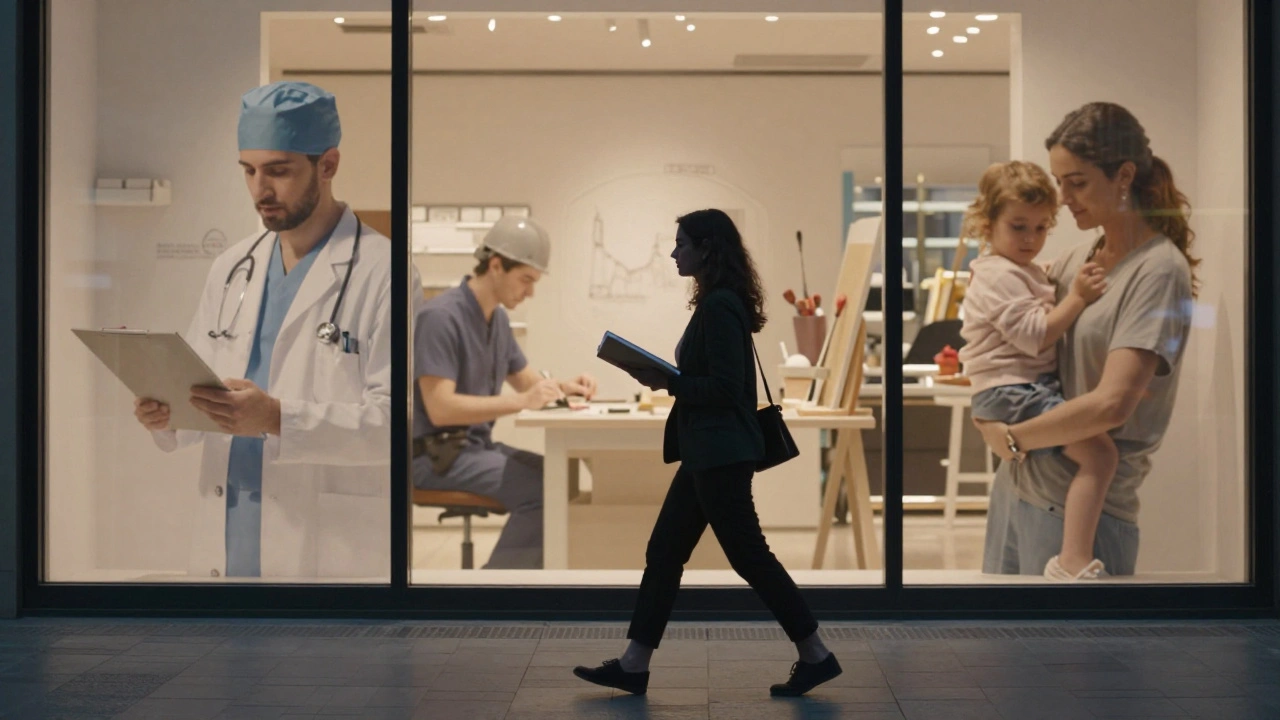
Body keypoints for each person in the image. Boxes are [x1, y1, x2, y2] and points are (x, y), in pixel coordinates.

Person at [133, 81, 405, 580]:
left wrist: (277, 417)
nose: (261, 189)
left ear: (328, 165)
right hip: (228, 527)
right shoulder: (232, 266)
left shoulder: (383, 270)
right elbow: (200, 386)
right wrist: (166, 413)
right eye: (250, 171)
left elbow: (395, 427)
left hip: (326, 544)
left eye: (278, 171)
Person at [573, 209, 841, 697]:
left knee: (749, 556)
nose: (674, 253)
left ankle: (817, 653)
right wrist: (669, 379)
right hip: (707, 452)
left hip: (718, 453)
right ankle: (635, 663)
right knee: (666, 551)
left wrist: (668, 380)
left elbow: (723, 389)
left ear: (707, 249)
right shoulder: (720, 303)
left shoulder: (719, 307)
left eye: (682, 244)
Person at [974, 102, 1197, 578]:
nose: (1065, 198)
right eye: (1060, 183)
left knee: (1069, 653)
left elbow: (1112, 405)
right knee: (999, 649)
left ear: (1123, 176)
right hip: (1018, 485)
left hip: (1083, 510)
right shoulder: (1079, 258)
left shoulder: (1158, 269)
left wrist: (1011, 437)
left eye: (1077, 182)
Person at [958, 161, 1116, 581]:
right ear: (987, 224)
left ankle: (1071, 557)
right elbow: (1036, 336)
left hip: (1015, 389)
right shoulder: (997, 275)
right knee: (1100, 455)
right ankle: (1072, 559)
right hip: (1014, 390)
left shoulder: (1019, 270)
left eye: (1041, 227)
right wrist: (1078, 297)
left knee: (1095, 455)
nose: (1031, 238)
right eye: (1019, 227)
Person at [412, 216, 597, 570]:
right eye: (526, 279)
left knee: (560, 475)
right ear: (495, 266)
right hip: (434, 455)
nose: (530, 292)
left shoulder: (496, 320)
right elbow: (440, 409)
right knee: (544, 492)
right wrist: (523, 402)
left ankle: (524, 582)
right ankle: (495, 592)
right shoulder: (439, 317)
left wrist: (565, 387)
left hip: (474, 447)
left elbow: (528, 383)